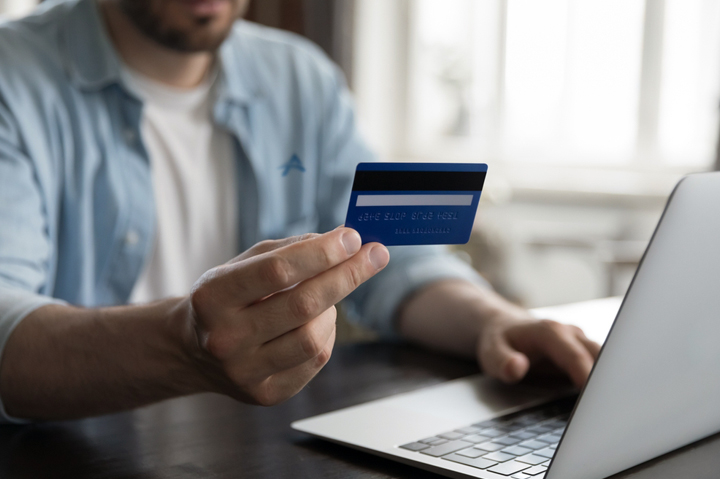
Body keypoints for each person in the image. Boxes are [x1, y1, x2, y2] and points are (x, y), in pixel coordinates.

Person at [0, 0, 600, 422]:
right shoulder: (14, 78)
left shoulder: (300, 77)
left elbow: (396, 255)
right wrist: (185, 345)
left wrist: (491, 321)